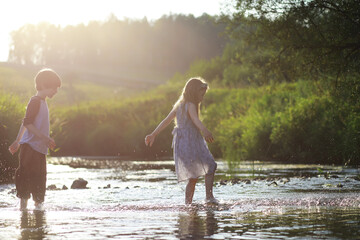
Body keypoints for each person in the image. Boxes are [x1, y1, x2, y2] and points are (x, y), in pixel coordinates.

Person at [145, 77, 217, 205]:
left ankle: (188, 204)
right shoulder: (190, 105)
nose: (203, 97)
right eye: (202, 94)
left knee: (193, 177)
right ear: (194, 92)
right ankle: (209, 197)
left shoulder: (180, 105)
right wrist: (205, 130)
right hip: (191, 142)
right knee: (211, 165)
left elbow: (166, 121)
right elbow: (195, 120)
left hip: (182, 143)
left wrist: (153, 134)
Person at [8, 68, 61, 211]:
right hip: (30, 147)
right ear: (44, 84)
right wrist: (19, 141)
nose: (56, 91)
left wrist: (45, 140)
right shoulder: (35, 101)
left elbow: (26, 122)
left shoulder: (43, 102)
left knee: (39, 179)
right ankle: (23, 211)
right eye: (54, 87)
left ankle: (38, 211)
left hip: (39, 149)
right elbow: (27, 123)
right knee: (25, 176)